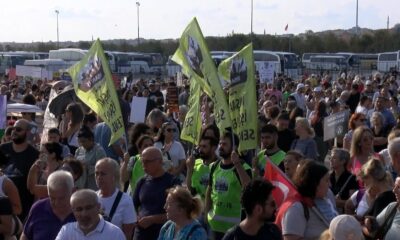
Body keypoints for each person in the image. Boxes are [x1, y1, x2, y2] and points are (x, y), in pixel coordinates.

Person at [205, 132, 252, 240]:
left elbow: (249, 188)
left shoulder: (244, 167)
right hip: (214, 226)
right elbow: (209, 190)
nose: (221, 146)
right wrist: (206, 214)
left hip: (235, 227)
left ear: (234, 147)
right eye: (220, 144)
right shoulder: (214, 166)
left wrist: (237, 165)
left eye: (225, 144)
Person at [276, 160, 336, 240]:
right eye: (326, 180)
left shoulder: (324, 200)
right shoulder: (296, 208)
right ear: (314, 183)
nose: (330, 184)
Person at [133, 147, 181, 240]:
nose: (143, 165)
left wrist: (152, 219)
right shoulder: (142, 182)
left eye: (147, 161)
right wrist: (136, 217)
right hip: (140, 234)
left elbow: (178, 213)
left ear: (159, 161)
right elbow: (133, 206)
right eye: (142, 161)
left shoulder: (172, 182)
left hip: (163, 234)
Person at [0, 119, 39, 220]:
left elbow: (36, 184)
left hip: (23, 207)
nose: (14, 131)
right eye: (13, 129)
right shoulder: (3, 148)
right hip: (2, 205)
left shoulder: (34, 154)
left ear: (27, 133)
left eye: (18, 129)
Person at [21, 171, 76, 240]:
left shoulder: (83, 210)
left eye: (61, 198)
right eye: (52, 198)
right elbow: (26, 236)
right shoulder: (39, 208)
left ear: (73, 191)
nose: (56, 203)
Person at [55, 189, 125, 240]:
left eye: (88, 208)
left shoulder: (115, 234)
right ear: (73, 211)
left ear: (98, 207)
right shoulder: (66, 231)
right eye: (79, 209)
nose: (84, 214)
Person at [95, 158, 136, 239]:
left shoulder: (125, 200)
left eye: (103, 174)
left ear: (114, 176)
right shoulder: (92, 198)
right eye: (96, 173)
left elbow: (127, 234)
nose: (99, 177)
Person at [186, 136, 219, 200]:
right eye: (200, 146)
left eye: (204, 147)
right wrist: (189, 170)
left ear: (213, 148)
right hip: (198, 205)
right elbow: (191, 189)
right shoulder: (195, 163)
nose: (200, 150)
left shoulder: (219, 166)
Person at [74, 126, 106, 190]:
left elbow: (103, 169)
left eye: (84, 141)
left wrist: (87, 167)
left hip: (93, 186)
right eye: (80, 142)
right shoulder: (78, 150)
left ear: (91, 139)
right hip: (80, 186)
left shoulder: (99, 151)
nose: (82, 144)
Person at [328, 148, 358, 213]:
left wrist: (339, 202)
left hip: (343, 215)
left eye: (334, 158)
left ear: (343, 161)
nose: (331, 160)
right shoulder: (327, 177)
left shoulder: (352, 178)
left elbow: (353, 202)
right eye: (330, 158)